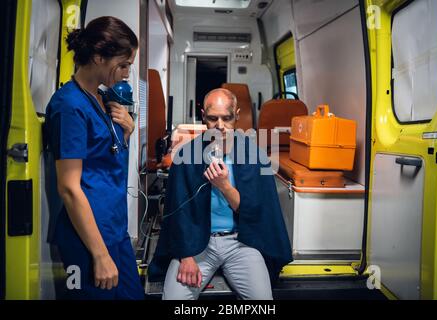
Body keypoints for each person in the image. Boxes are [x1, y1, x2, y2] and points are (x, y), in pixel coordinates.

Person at [148, 88, 292, 300]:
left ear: (237, 114)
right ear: (203, 116)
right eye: (213, 118)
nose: (220, 126)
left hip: (241, 243)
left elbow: (253, 212)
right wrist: (186, 257)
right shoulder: (186, 157)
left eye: (227, 118)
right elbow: (177, 213)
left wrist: (224, 185)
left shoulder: (254, 156)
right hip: (197, 245)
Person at [45, 16, 144, 300]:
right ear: (99, 57)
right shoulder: (69, 106)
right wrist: (99, 255)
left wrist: (126, 132)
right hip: (88, 241)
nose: (126, 73)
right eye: (123, 65)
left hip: (114, 230)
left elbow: (105, 156)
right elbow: (69, 187)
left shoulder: (101, 98)